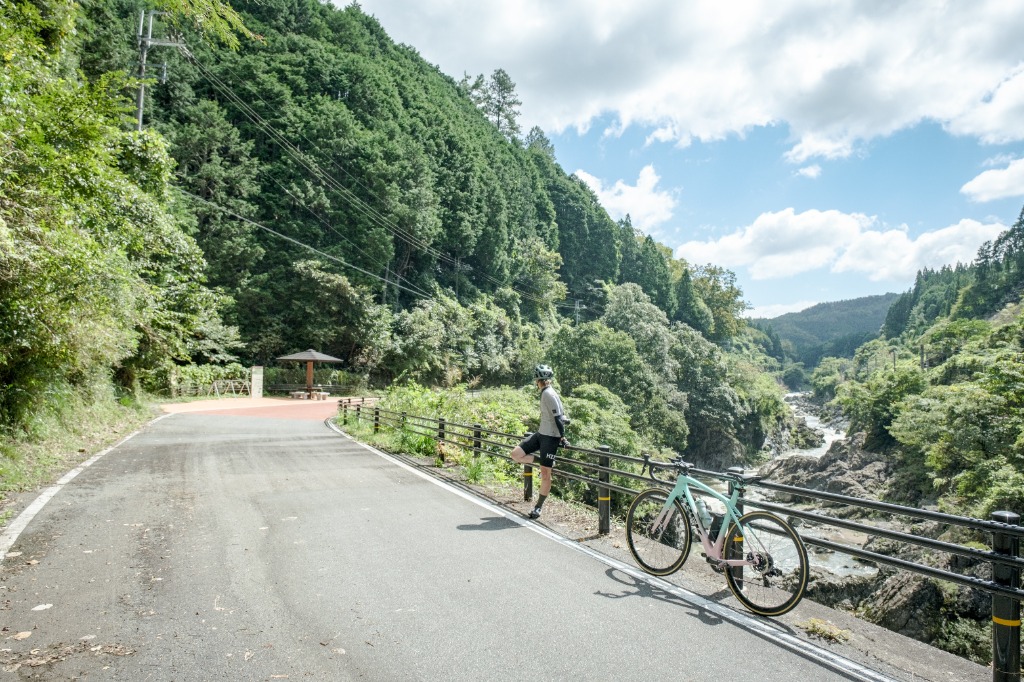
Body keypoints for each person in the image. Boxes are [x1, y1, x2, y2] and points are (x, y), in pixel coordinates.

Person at [509, 364, 570, 519]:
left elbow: (558, 418)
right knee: (516, 454)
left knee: (545, 475)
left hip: (551, 438)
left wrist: (562, 437)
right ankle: (541, 460)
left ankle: (538, 507)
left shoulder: (549, 394)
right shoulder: (545, 393)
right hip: (541, 434)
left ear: (538, 380)